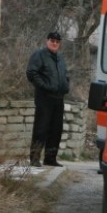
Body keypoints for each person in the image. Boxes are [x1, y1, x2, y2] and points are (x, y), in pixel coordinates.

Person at [26, 31, 70, 167]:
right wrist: (44, 86)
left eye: (57, 41)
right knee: (41, 128)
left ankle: (50, 158)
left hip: (58, 98)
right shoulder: (39, 55)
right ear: (47, 41)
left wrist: (66, 84)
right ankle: (34, 158)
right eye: (52, 40)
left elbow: (65, 74)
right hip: (44, 97)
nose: (54, 43)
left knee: (56, 129)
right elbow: (31, 72)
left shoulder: (60, 57)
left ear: (59, 43)